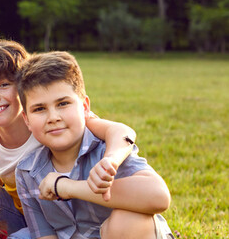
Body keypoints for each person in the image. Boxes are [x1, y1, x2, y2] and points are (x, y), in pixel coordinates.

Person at [0, 39, 139, 237]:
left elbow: (122, 132)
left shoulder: (53, 125)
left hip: (66, 211)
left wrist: (111, 160)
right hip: (26, 219)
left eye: (4, 85)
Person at [15, 51, 173, 239]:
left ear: (84, 107)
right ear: (26, 120)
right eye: (39, 109)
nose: (53, 118)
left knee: (126, 221)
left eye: (63, 103)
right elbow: (44, 235)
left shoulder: (107, 151)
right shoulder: (27, 172)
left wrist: (68, 187)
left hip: (127, 233)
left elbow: (159, 196)